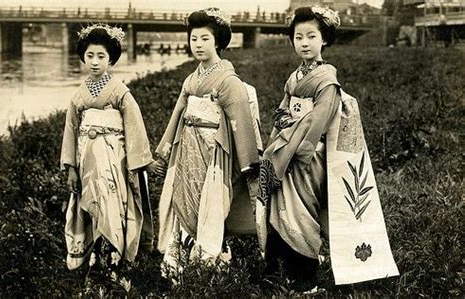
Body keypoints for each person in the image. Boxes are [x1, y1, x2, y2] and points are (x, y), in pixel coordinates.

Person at [257, 6, 398, 292]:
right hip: (286, 149)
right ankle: (277, 268)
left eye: (311, 36)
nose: (304, 43)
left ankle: (304, 273)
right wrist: (279, 136)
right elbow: (281, 113)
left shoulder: (327, 80)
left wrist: (295, 144)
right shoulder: (293, 77)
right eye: (298, 37)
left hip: (307, 156)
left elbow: (317, 121)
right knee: (280, 210)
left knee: (302, 212)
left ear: (324, 40)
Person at [155, 8, 260, 273]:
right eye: (194, 39)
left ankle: (211, 260)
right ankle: (181, 260)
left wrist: (248, 162)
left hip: (214, 151)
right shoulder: (191, 80)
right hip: (188, 148)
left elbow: (241, 121)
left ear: (218, 42)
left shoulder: (228, 80)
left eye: (204, 39)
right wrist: (164, 151)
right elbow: (178, 115)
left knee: (210, 202)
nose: (198, 45)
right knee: (185, 197)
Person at [60, 24, 165, 280]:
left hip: (112, 162)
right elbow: (71, 132)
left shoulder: (120, 92)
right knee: (90, 208)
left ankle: (112, 263)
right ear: (83, 57)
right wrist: (71, 168)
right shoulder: (78, 96)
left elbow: (134, 127)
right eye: (89, 56)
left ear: (111, 59)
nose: (94, 62)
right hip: (86, 163)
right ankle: (95, 264)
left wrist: (143, 161)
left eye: (101, 56)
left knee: (111, 207)